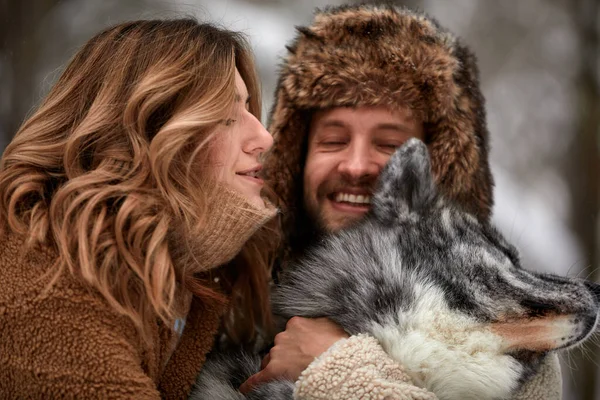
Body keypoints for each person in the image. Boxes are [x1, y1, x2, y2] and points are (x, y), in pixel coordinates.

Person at [242, 4, 562, 399]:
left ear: (440, 167)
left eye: (390, 144)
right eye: (333, 141)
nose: (357, 166)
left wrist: (341, 365)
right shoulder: (228, 298)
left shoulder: (514, 331)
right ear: (295, 158)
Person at [0, 19, 280, 399]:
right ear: (144, 131)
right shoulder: (48, 285)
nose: (263, 137)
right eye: (227, 115)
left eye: (249, 109)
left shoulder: (182, 267)